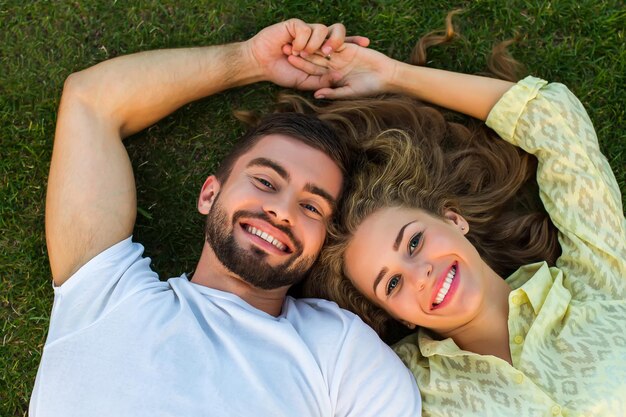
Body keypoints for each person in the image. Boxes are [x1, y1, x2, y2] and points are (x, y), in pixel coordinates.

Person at [32, 19, 422, 417]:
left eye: (311, 207)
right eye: (266, 181)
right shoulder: (104, 291)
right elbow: (90, 99)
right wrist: (250, 60)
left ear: (323, 243)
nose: (281, 211)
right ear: (209, 194)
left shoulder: (343, 354)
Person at [294, 16, 626, 417]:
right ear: (394, 315)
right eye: (393, 283)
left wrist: (394, 74)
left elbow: (551, 117)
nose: (420, 276)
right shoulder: (409, 386)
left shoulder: (596, 282)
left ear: (454, 220)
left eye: (414, 242)